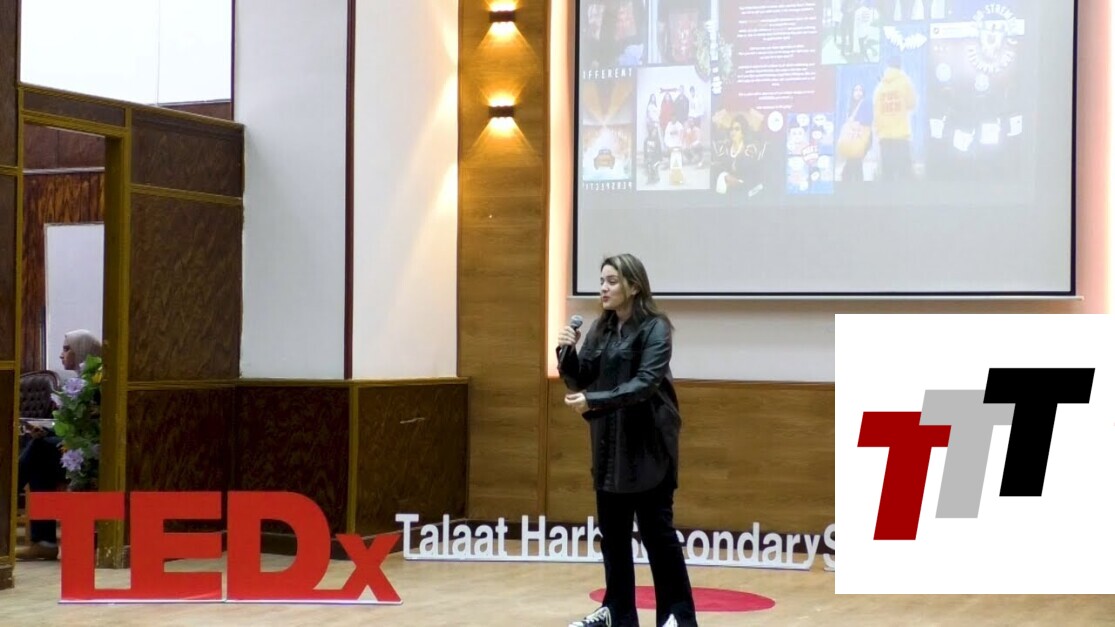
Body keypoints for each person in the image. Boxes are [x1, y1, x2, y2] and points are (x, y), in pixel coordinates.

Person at [559, 254, 697, 627]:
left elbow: (645, 384)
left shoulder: (655, 328)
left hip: (649, 446)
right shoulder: (601, 328)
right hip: (610, 445)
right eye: (601, 281)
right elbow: (580, 378)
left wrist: (594, 401)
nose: (603, 288)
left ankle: (677, 617)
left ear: (634, 286)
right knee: (614, 537)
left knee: (658, 537)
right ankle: (617, 613)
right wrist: (567, 354)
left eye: (612, 281)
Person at [16, 329, 102, 561]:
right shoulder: (78, 381)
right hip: (74, 449)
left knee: (40, 450)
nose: (61, 354)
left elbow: (91, 428)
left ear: (82, 350)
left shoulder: (99, 383)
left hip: (94, 454)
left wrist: (51, 433)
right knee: (39, 453)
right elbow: (72, 426)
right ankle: (44, 542)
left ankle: (9, 488)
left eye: (67, 349)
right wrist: (48, 430)